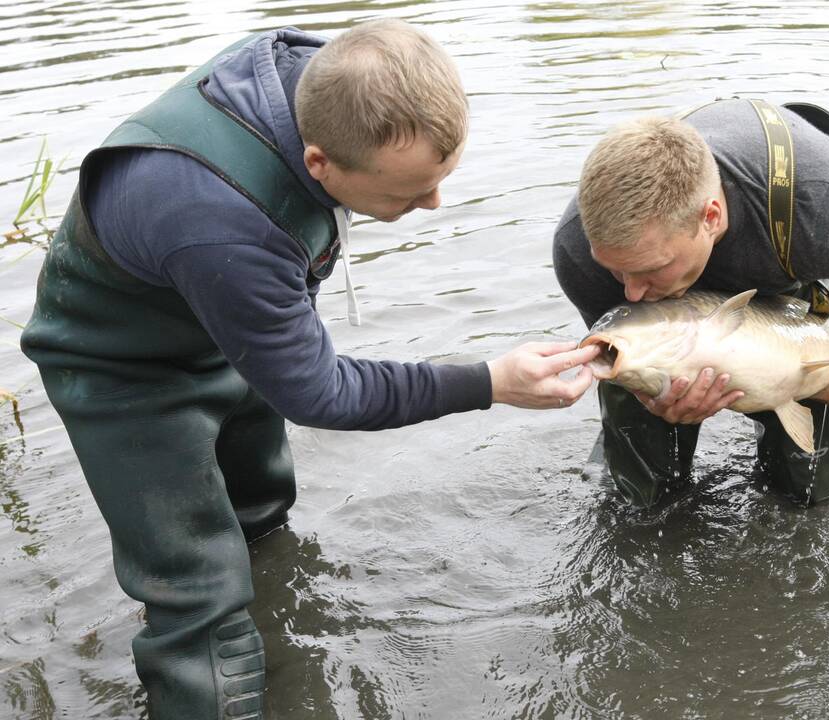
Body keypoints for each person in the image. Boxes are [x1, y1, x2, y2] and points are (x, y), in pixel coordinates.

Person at [20, 21, 598, 720]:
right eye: (412, 193)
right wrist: (487, 382)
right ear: (319, 163)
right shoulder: (220, 219)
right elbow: (318, 393)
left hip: (216, 315)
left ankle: (284, 637)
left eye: (440, 180)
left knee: (260, 513)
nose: (434, 204)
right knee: (198, 593)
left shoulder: (331, 83)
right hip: (120, 369)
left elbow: (283, 338)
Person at [552, 99, 829, 507]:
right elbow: (627, 333)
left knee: (809, 487)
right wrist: (650, 396)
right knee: (638, 494)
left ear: (711, 217)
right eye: (616, 271)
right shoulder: (578, 250)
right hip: (667, 325)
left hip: (785, 275)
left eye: (649, 269)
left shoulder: (822, 203)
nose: (629, 291)